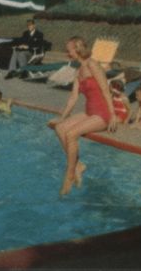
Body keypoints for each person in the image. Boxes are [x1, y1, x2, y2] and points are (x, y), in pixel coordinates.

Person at [48, 37, 116, 196]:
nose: (67, 52)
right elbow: (73, 97)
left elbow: (106, 90)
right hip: (90, 112)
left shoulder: (93, 64)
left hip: (103, 113)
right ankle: (78, 165)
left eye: (69, 49)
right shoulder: (78, 71)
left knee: (71, 134)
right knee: (60, 128)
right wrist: (62, 117)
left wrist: (112, 114)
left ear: (77, 49)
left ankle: (69, 175)